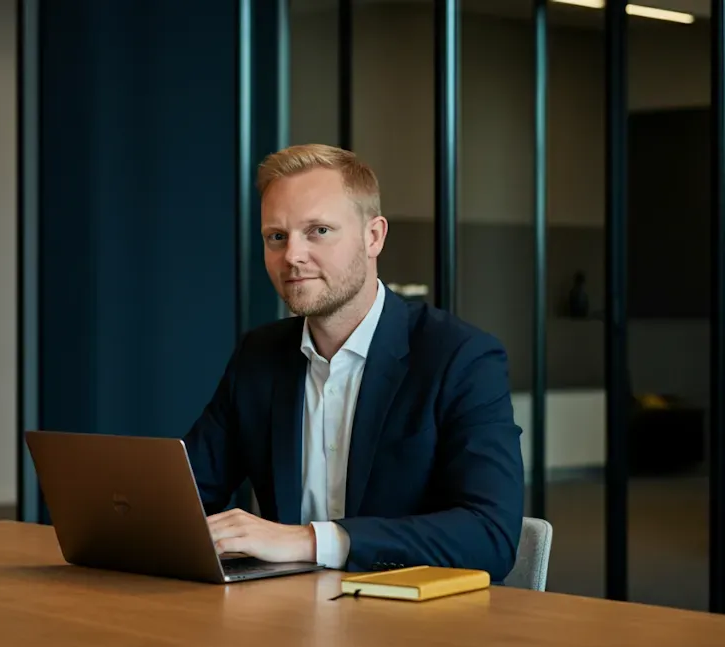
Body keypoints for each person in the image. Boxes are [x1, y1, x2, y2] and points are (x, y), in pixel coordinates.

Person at [185, 144, 524, 581]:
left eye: (319, 231)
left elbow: (490, 535)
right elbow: (190, 492)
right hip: (285, 618)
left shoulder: (461, 358)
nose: (293, 255)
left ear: (374, 237)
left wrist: (310, 540)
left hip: (414, 630)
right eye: (277, 236)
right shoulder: (259, 356)